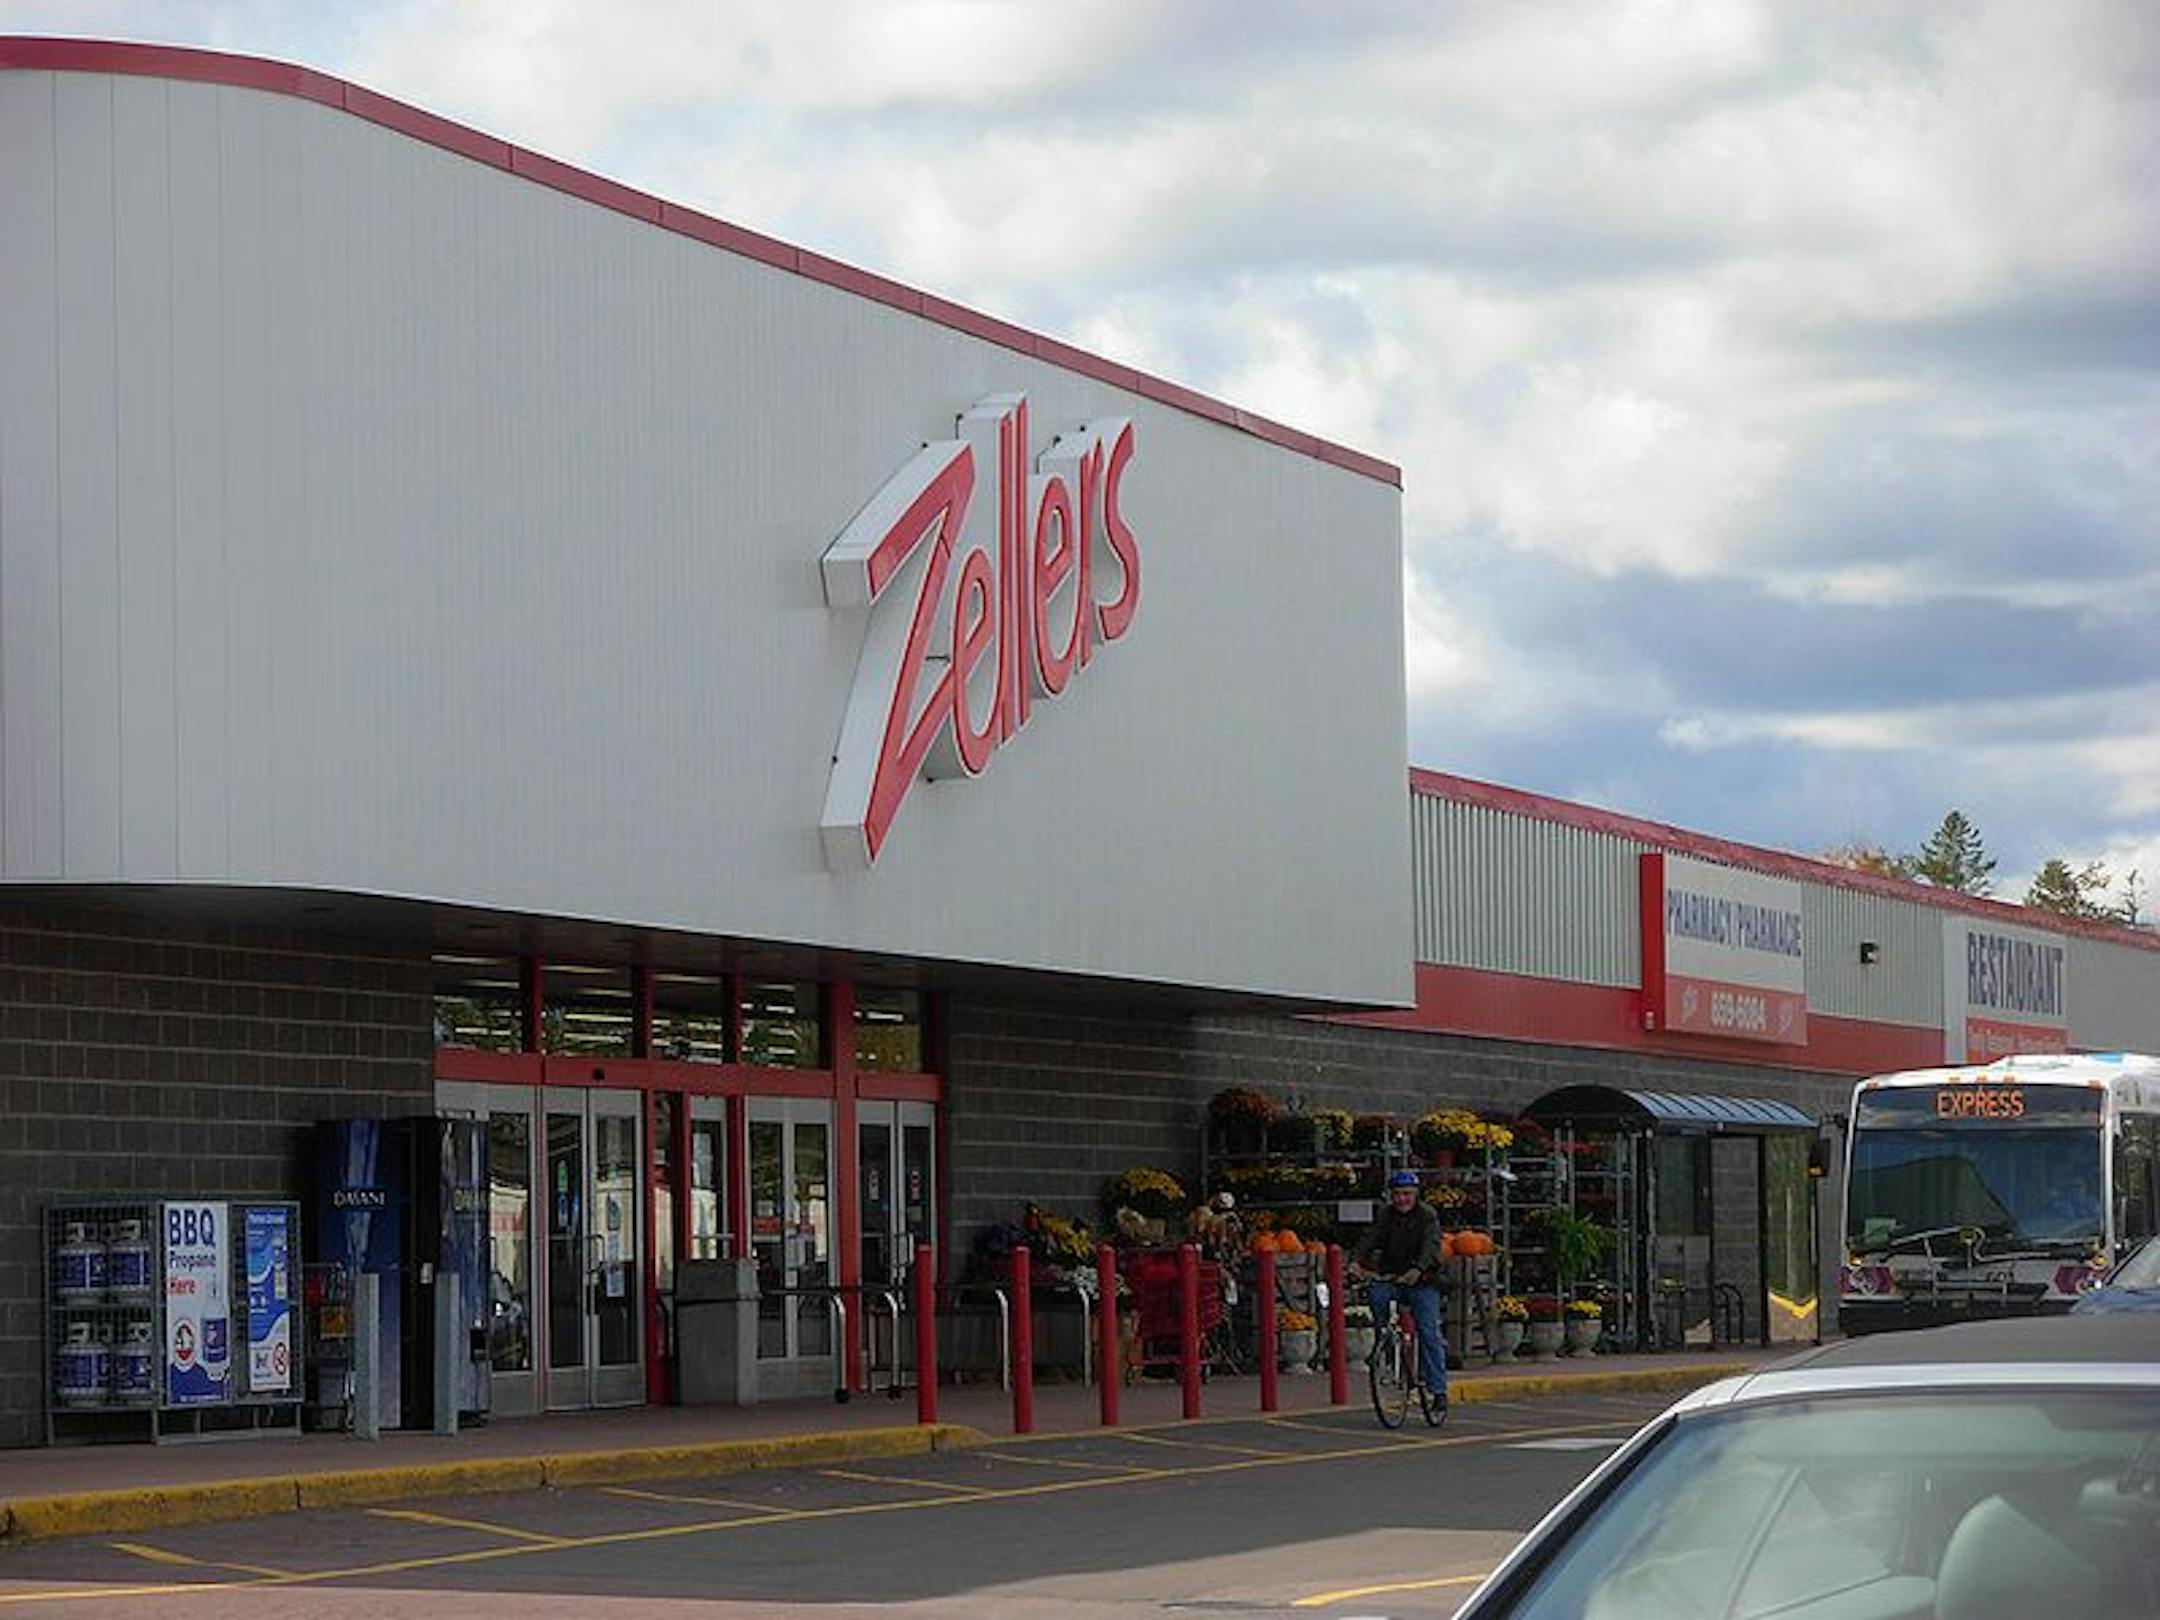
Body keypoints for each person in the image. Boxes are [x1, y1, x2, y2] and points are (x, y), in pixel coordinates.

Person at [1352, 1169, 1447, 1413]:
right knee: (1377, 1296)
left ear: (1416, 1194)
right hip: (1392, 1277)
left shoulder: (1427, 1216)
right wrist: (1356, 1261)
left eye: (1406, 1194)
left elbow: (1431, 1246)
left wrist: (1418, 1269)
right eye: (1396, 1194)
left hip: (1423, 1281)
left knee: (1428, 1331)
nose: (1401, 1199)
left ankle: (1437, 1389)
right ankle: (1385, 1345)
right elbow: (1369, 1238)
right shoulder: (1385, 1215)